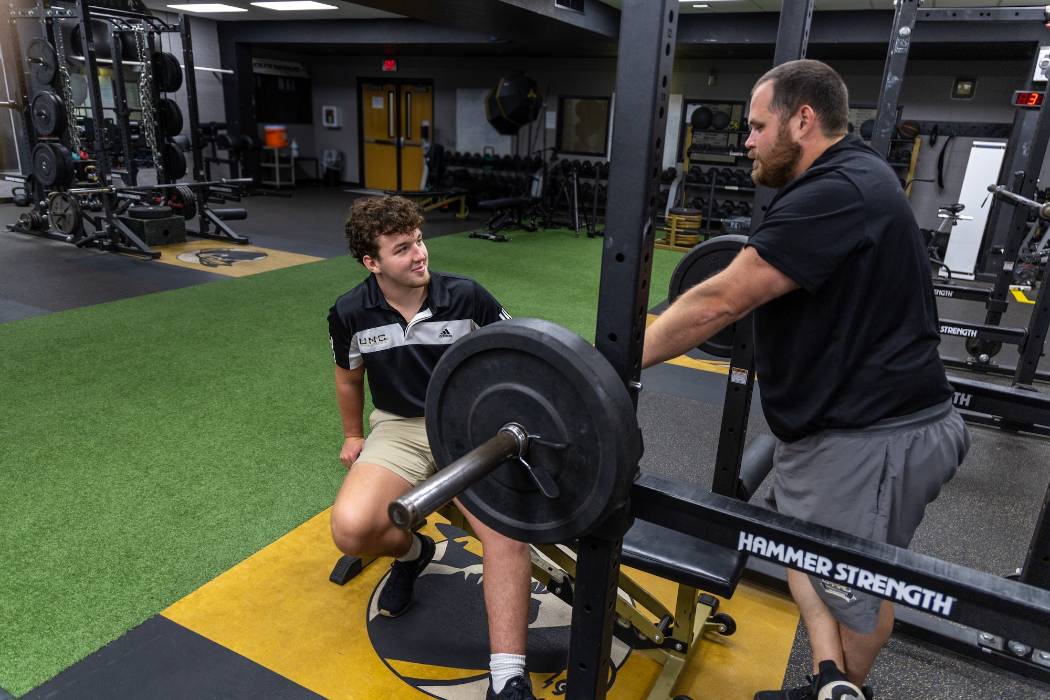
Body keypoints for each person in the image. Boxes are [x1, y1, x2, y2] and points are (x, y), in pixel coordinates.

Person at [642, 60, 969, 700]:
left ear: (803, 119)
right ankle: (827, 680)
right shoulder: (852, 175)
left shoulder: (834, 193)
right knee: (802, 554)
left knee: (854, 594)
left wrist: (604, 362)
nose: (748, 140)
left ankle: (846, 692)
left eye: (758, 126)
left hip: (869, 439)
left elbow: (719, 304)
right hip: (832, 431)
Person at [328, 195, 536, 700]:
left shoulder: (467, 297)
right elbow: (348, 379)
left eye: (419, 240)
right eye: (403, 248)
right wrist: (354, 435)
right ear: (371, 262)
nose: (420, 254)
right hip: (399, 427)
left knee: (505, 537)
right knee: (352, 530)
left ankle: (508, 675)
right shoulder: (350, 312)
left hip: (466, 429)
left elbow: (517, 357)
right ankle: (414, 553)